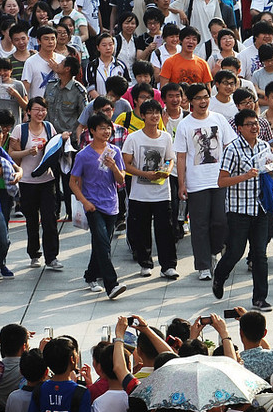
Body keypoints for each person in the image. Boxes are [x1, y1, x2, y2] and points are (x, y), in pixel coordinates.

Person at [211, 107, 273, 312]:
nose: (254, 127)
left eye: (256, 123)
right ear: (239, 128)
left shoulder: (264, 146)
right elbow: (221, 181)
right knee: (235, 251)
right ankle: (219, 277)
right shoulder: (232, 149)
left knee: (260, 254)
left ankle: (259, 298)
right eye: (249, 124)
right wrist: (245, 176)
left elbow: (271, 172)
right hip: (239, 209)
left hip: (260, 208)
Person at [173, 82, 236, 281]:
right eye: (198, 98)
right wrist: (182, 184)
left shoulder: (219, 119)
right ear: (190, 102)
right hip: (196, 182)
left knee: (221, 221)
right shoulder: (185, 124)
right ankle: (203, 265)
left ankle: (214, 251)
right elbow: (181, 156)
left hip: (219, 180)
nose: (203, 101)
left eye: (206, 97)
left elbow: (230, 146)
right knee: (199, 225)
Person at [70, 113, 128, 301]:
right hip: (93, 206)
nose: (106, 132)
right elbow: (73, 182)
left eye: (108, 128)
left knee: (101, 244)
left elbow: (121, 181)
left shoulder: (114, 152)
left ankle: (90, 275)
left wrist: (113, 167)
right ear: (92, 131)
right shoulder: (83, 155)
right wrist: (85, 202)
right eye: (102, 128)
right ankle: (111, 284)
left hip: (111, 204)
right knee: (103, 244)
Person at [122, 97, 178, 278]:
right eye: (150, 113)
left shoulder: (166, 137)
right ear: (143, 116)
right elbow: (127, 164)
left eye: (157, 112)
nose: (154, 116)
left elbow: (170, 159)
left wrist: (167, 170)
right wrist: (145, 174)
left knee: (166, 230)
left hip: (162, 192)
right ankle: (145, 263)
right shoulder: (133, 138)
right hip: (140, 193)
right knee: (142, 230)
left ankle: (168, 266)